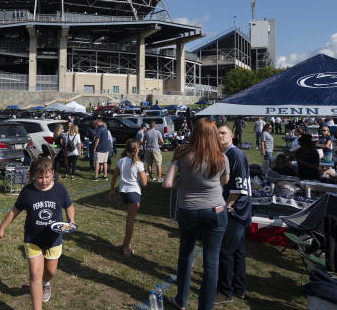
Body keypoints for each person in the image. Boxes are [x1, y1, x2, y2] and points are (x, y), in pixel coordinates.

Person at [163, 118, 230, 310]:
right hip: (216, 210)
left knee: (186, 254)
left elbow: (167, 184)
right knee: (212, 261)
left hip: (188, 211)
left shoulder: (182, 154)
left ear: (194, 133)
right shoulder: (222, 157)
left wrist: (183, 183)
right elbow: (225, 181)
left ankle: (181, 301)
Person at [0, 156, 75, 309]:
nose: (44, 180)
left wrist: (70, 220)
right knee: (34, 276)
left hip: (54, 239)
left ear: (52, 173)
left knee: (50, 272)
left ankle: (46, 283)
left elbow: (69, 206)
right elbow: (14, 210)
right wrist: (2, 227)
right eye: (40, 177)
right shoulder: (27, 191)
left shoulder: (60, 189)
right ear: (32, 175)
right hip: (33, 239)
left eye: (47, 176)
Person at [216, 125, 252, 304]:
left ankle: (225, 291)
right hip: (237, 209)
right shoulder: (225, 154)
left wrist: (227, 206)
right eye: (217, 133)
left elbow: (239, 186)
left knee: (225, 251)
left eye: (223, 133)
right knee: (237, 251)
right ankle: (239, 287)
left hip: (235, 210)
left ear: (231, 135)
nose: (220, 135)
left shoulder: (234, 154)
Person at [108, 139, 147, 256]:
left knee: (129, 219)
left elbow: (114, 177)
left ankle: (126, 243)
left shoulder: (121, 161)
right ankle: (126, 248)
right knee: (130, 220)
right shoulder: (139, 164)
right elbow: (144, 183)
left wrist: (112, 190)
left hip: (123, 192)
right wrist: (142, 176)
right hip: (133, 193)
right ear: (137, 150)